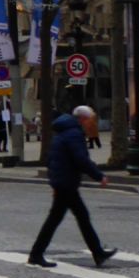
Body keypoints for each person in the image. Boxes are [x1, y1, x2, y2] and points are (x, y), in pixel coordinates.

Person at [28, 107, 117, 268]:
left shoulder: (64, 132)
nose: (92, 123)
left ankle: (97, 252)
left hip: (63, 181)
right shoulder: (74, 134)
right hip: (66, 183)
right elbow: (81, 159)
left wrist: (54, 181)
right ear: (83, 119)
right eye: (91, 119)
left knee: (76, 217)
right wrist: (99, 176)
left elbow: (51, 159)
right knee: (66, 219)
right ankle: (36, 254)